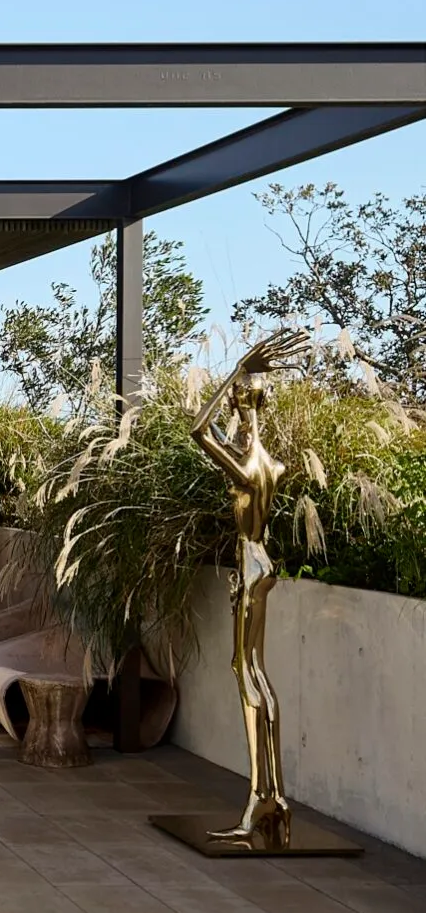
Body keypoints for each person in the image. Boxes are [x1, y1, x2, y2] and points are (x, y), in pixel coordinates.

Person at [189, 329, 307, 848]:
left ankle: (260, 796)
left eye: (237, 407)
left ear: (242, 408)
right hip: (264, 562)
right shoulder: (273, 465)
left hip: (249, 562)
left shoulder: (245, 466)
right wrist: (243, 382)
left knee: (244, 671)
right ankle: (274, 795)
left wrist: (235, 371)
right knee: (259, 672)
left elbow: (198, 430)